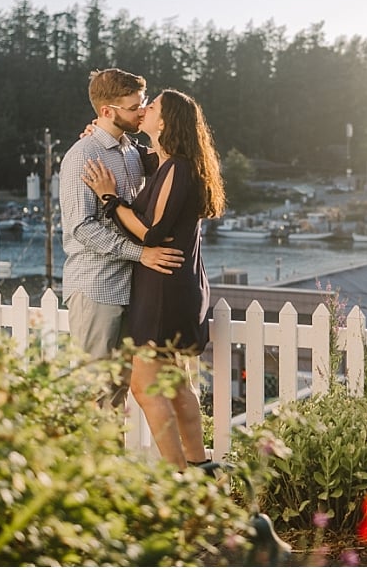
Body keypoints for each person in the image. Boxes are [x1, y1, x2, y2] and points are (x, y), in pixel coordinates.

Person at [81, 89, 227, 469]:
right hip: (173, 282)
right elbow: (133, 156)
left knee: (144, 386)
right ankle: (198, 467)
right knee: (175, 382)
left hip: (164, 287)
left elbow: (150, 232)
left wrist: (109, 198)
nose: (144, 110)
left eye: (153, 106)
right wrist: (97, 135)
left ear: (164, 122)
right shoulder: (166, 162)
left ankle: (179, 476)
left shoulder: (178, 167)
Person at [59, 68, 185, 370]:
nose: (142, 112)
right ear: (106, 111)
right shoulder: (83, 155)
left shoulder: (132, 151)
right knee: (93, 390)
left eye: (143, 104)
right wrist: (142, 254)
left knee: (117, 391)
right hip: (96, 287)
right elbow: (82, 227)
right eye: (133, 107)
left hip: (132, 288)